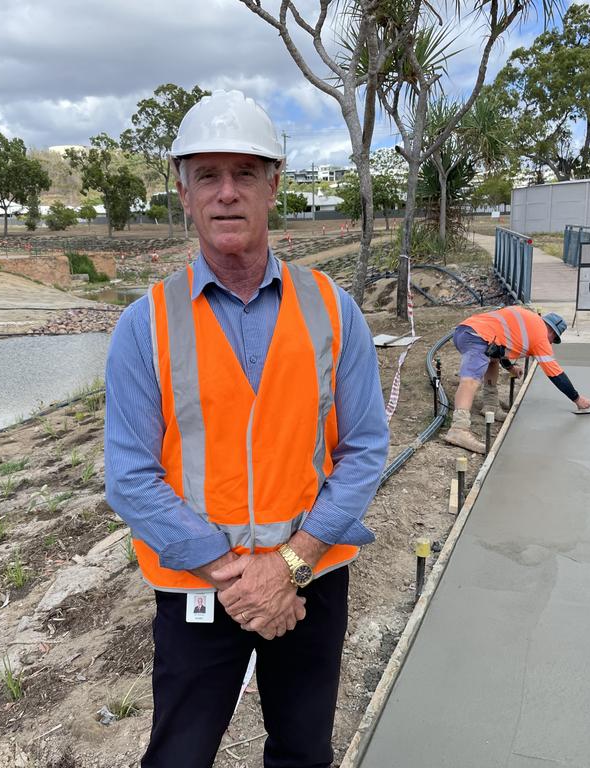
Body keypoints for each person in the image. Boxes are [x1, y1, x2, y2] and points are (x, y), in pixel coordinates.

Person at [104, 90, 389, 768]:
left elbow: (364, 447)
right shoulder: (144, 325)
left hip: (310, 582)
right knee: (178, 756)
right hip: (199, 591)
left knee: (302, 750)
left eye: (245, 174)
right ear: (184, 192)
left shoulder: (332, 308)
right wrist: (238, 577)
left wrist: (290, 564)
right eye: (208, 175)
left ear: (274, 186)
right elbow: (131, 476)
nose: (227, 193)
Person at [442, 306, 590, 453]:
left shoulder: (528, 319)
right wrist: (577, 399)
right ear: (551, 331)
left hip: (467, 330)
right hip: (477, 337)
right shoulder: (540, 337)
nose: (551, 343)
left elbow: (499, 346)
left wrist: (510, 369)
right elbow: (556, 374)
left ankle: (490, 406)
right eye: (553, 339)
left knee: (492, 360)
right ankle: (458, 428)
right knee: (470, 380)